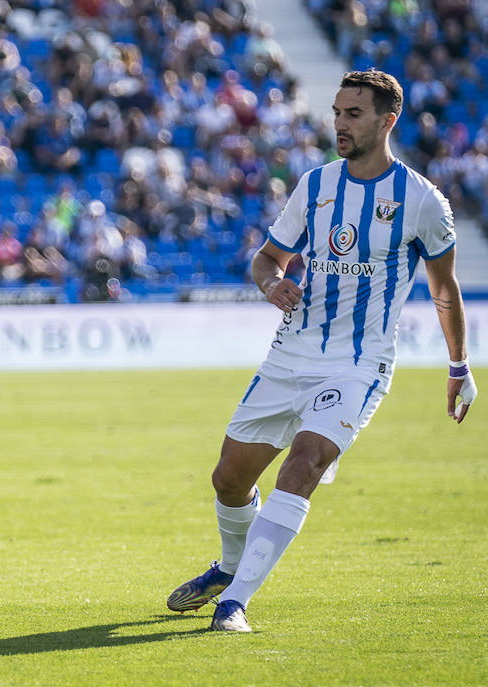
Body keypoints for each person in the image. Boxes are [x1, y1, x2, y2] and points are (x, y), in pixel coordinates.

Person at [166, 71, 475, 632]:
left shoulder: (422, 201)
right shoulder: (313, 186)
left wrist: (459, 365)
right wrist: (270, 284)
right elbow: (267, 259)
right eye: (336, 111)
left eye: (354, 114)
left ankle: (234, 603)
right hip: (288, 357)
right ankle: (229, 569)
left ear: (387, 120)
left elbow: (444, 287)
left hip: (359, 364)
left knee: (304, 463)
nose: (340, 123)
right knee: (228, 480)